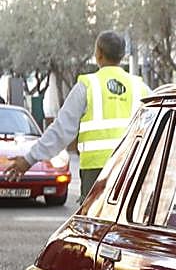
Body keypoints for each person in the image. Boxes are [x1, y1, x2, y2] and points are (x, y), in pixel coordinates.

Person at [2, 31, 147, 199]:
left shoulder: (87, 86)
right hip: (132, 169)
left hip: (97, 173)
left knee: (96, 222)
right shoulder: (140, 87)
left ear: (98, 54)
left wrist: (29, 159)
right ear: (122, 56)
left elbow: (61, 130)